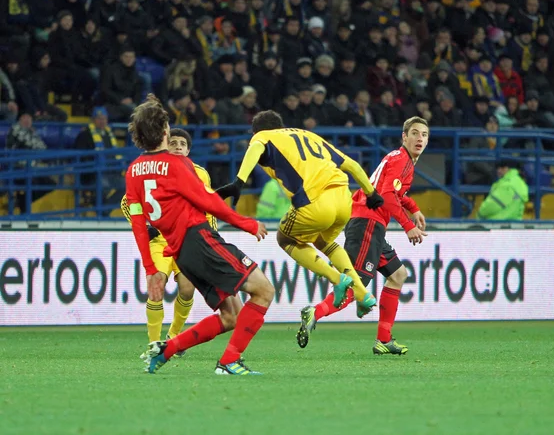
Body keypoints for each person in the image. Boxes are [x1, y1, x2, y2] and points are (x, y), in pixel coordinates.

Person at [125, 95, 273, 376]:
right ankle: (229, 362)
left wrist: (150, 268)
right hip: (200, 239)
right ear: (165, 132)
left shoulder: (133, 172)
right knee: (264, 291)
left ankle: (166, 349)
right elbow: (208, 202)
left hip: (182, 252)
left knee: (231, 316)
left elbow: (136, 220)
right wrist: (246, 223)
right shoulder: (176, 165)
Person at [216, 110, 384, 318]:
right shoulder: (309, 135)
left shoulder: (263, 136)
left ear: (255, 131)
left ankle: (336, 278)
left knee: (285, 238)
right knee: (324, 242)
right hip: (343, 199)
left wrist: (239, 181)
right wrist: (371, 192)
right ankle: (362, 293)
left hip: (315, 202)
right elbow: (352, 165)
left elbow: (257, 146)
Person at [297, 116, 429, 355]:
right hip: (367, 222)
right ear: (404, 137)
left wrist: (413, 207)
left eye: (424, 135)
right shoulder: (403, 162)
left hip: (369, 222)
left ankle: (384, 340)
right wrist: (408, 225)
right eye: (415, 133)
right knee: (356, 286)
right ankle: (315, 312)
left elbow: (393, 192)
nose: (420, 138)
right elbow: (387, 196)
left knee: (398, 274)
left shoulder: (399, 159)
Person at [120, 128, 242, 347]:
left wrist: (211, 235)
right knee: (157, 286)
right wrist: (143, 226)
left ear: (188, 149)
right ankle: (153, 344)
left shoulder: (200, 173)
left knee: (186, 289)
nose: (177, 146)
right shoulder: (155, 167)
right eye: (173, 142)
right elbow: (126, 201)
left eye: (182, 144)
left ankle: (173, 336)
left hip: (188, 239)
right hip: (160, 241)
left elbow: (207, 205)